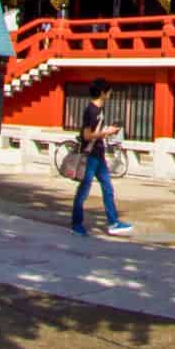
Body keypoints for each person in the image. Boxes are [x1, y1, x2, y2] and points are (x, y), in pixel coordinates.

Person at [69, 79, 133, 238]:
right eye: (109, 91)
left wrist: (106, 131)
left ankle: (113, 223)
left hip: (98, 154)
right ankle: (76, 224)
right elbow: (86, 135)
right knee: (84, 191)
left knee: (108, 188)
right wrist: (106, 133)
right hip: (90, 156)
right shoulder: (91, 111)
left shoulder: (99, 109)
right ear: (103, 92)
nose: (111, 94)